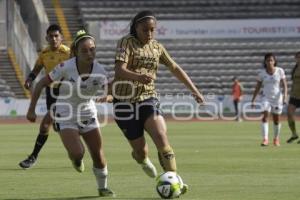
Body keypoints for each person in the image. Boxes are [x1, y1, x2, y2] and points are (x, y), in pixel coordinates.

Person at [112, 10, 205, 196]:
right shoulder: (126, 42)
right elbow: (119, 70)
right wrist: (139, 76)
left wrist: (194, 91)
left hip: (148, 99)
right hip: (123, 104)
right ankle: (141, 159)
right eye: (145, 30)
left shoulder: (157, 47)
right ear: (136, 27)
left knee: (162, 138)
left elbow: (175, 67)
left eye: (152, 30)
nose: (149, 34)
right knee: (140, 152)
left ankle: (175, 181)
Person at [25, 30, 115, 197]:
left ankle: (103, 188)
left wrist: (108, 96)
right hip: (65, 112)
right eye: (84, 50)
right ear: (75, 52)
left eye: (92, 49)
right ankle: (76, 159)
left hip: (88, 113)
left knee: (98, 154)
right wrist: (31, 110)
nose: (89, 53)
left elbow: (110, 92)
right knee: (78, 152)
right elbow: (40, 85)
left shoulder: (101, 71)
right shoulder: (65, 67)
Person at [19, 24, 70, 169]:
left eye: (56, 36)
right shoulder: (44, 53)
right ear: (46, 37)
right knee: (56, 126)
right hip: (51, 93)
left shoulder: (69, 53)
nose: (54, 39)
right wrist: (29, 79)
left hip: (66, 92)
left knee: (46, 125)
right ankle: (77, 154)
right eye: (51, 36)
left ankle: (33, 157)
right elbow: (36, 69)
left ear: (61, 37)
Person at [251, 53, 287, 147]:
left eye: (271, 60)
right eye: (268, 60)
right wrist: (253, 99)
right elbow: (258, 87)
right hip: (265, 97)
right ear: (265, 62)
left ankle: (276, 139)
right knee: (265, 116)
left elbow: (284, 85)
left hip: (277, 98)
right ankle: (265, 139)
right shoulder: (261, 73)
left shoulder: (280, 71)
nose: (270, 62)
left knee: (276, 120)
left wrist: (285, 95)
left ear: (274, 61)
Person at [286, 51, 300, 143]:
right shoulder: (295, 68)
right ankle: (294, 134)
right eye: (297, 57)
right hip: (294, 95)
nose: (298, 59)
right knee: (289, 113)